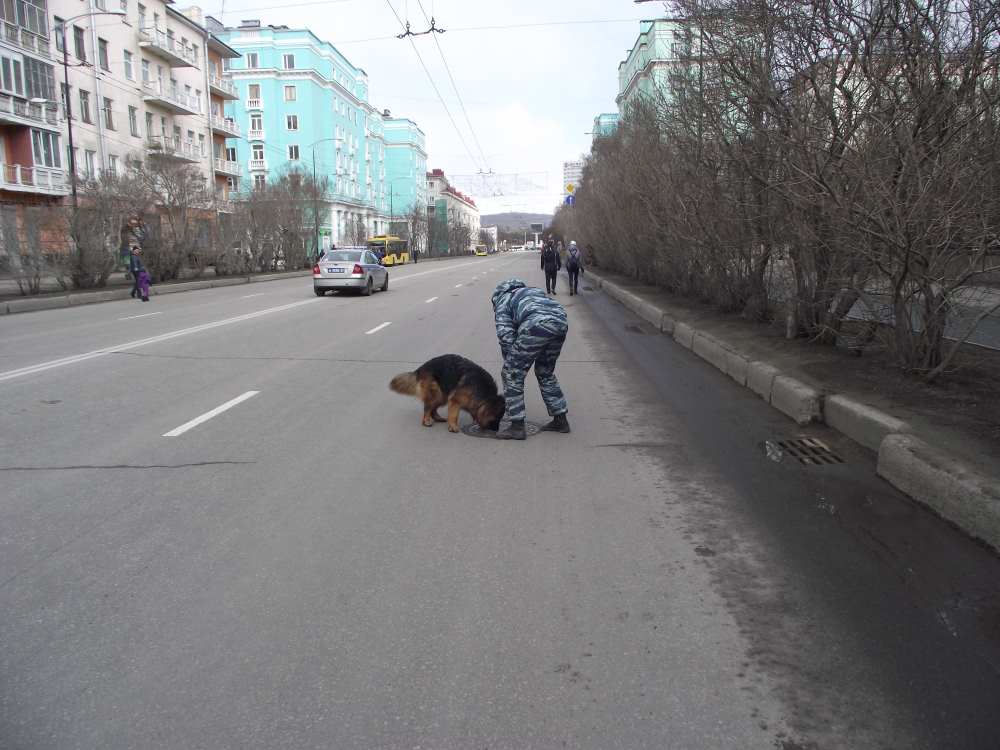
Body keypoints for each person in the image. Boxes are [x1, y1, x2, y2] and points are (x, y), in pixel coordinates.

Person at [491, 278, 571, 440]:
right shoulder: (533, 291)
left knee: (511, 373)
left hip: (536, 324)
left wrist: (511, 364)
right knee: (545, 372)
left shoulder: (503, 301)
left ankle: (517, 427)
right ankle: (560, 420)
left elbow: (505, 336)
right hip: (561, 322)